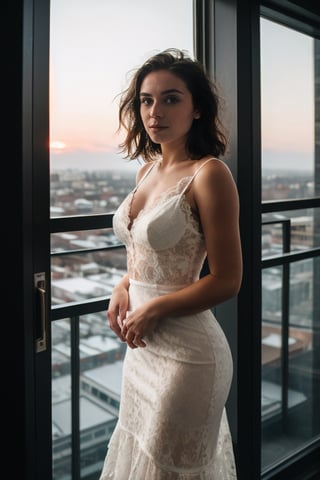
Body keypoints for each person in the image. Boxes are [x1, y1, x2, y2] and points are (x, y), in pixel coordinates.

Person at [99, 48, 242, 480]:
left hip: (190, 358)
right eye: (146, 100)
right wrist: (125, 286)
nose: (154, 111)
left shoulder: (209, 174)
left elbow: (227, 279)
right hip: (142, 353)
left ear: (197, 108)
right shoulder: (145, 172)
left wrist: (155, 308)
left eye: (170, 99)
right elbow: (149, 257)